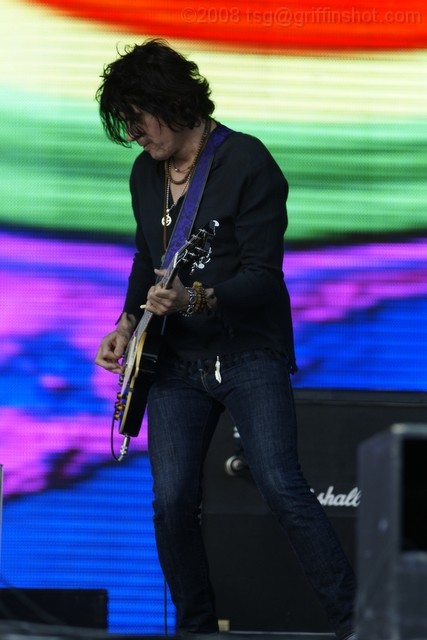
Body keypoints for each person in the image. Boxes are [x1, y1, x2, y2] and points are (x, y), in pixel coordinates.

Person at [94, 38, 356, 640]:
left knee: (282, 486)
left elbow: (264, 278)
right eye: (125, 123)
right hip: (173, 360)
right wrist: (126, 324)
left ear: (172, 101)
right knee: (171, 501)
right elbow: (147, 259)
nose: (133, 134)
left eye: (139, 118)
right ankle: (196, 630)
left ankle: (358, 622)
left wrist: (195, 299)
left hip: (247, 351)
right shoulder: (144, 173)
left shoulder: (246, 161)